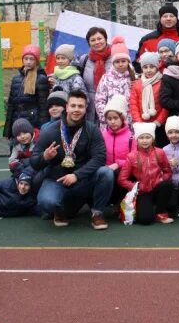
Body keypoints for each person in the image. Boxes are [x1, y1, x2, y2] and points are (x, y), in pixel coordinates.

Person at [29, 90, 115, 229]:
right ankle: (59, 211)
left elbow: (100, 157)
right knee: (47, 202)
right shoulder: (50, 131)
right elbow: (34, 162)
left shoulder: (92, 129)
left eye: (80, 106)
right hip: (56, 180)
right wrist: (44, 157)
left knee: (106, 173)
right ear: (66, 107)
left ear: (85, 108)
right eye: (73, 106)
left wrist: (77, 175)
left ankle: (97, 213)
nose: (76, 109)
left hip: (82, 180)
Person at [118, 122, 175, 225]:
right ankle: (148, 207)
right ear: (136, 139)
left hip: (157, 187)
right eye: (141, 137)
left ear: (152, 139)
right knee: (145, 220)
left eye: (148, 137)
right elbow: (122, 179)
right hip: (143, 192)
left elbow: (168, 172)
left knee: (167, 184)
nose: (144, 140)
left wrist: (161, 179)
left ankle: (160, 212)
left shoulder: (160, 152)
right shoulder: (131, 156)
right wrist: (136, 187)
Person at [4, 44, 49, 140]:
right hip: (17, 121)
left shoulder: (40, 79)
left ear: (36, 61)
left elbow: (43, 107)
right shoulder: (16, 79)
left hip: (32, 121)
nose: (28, 62)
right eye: (26, 58)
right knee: (16, 150)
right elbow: (11, 105)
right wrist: (8, 130)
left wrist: (42, 129)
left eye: (32, 59)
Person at [100, 94, 133, 203]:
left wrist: (118, 164)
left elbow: (134, 159)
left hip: (124, 172)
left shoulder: (131, 137)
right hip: (106, 170)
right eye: (109, 119)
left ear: (122, 118)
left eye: (115, 118)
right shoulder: (103, 135)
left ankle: (120, 202)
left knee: (118, 174)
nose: (112, 122)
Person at [94, 36, 135, 125]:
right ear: (113, 63)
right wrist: (106, 118)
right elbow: (99, 100)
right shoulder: (106, 78)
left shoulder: (134, 78)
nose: (120, 64)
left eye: (123, 61)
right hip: (110, 123)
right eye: (117, 62)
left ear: (128, 61)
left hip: (129, 123)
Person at [130, 51, 167, 145]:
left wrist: (158, 121)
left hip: (158, 125)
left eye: (152, 67)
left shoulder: (163, 82)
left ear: (157, 66)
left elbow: (165, 105)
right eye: (145, 67)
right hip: (142, 124)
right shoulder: (137, 84)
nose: (149, 70)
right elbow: (133, 104)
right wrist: (138, 122)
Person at [75, 26, 111, 103]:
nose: (97, 42)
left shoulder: (116, 58)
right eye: (93, 40)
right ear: (89, 43)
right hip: (90, 106)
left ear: (105, 39)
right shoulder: (84, 59)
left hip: (111, 105)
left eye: (99, 38)